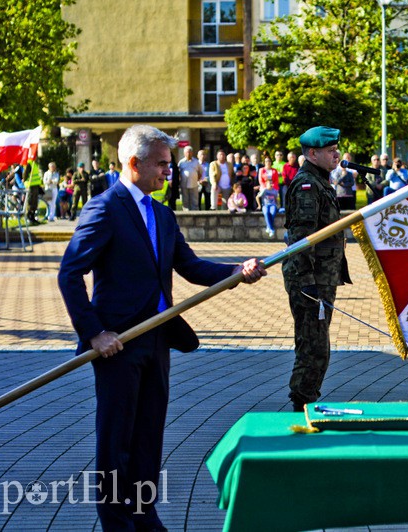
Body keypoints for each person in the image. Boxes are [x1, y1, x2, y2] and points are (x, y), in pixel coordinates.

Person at [58, 125, 266, 531]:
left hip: (157, 340)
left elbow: (190, 267)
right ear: (134, 163)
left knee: (149, 436)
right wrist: (94, 332)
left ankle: (143, 513)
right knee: (116, 440)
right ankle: (117, 521)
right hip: (118, 344)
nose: (168, 173)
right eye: (162, 165)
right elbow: (70, 274)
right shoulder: (105, 208)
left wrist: (237, 271)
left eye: (170, 165)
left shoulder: (162, 214)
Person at [282, 126, 352, 412]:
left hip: (322, 278)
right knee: (314, 347)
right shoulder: (307, 187)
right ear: (312, 154)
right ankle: (301, 405)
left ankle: (304, 400)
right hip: (310, 280)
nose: (337, 154)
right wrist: (308, 283)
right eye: (330, 151)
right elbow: (301, 240)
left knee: (315, 345)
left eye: (336, 149)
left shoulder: (320, 181)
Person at [178, 146, 202, 211]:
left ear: (192, 153)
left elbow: (200, 172)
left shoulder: (196, 162)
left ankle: (195, 212)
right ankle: (186, 212)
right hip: (184, 184)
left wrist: (197, 179)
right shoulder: (181, 162)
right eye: (187, 152)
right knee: (185, 199)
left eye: (190, 152)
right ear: (184, 153)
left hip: (194, 184)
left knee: (194, 199)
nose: (189, 154)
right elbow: (178, 173)